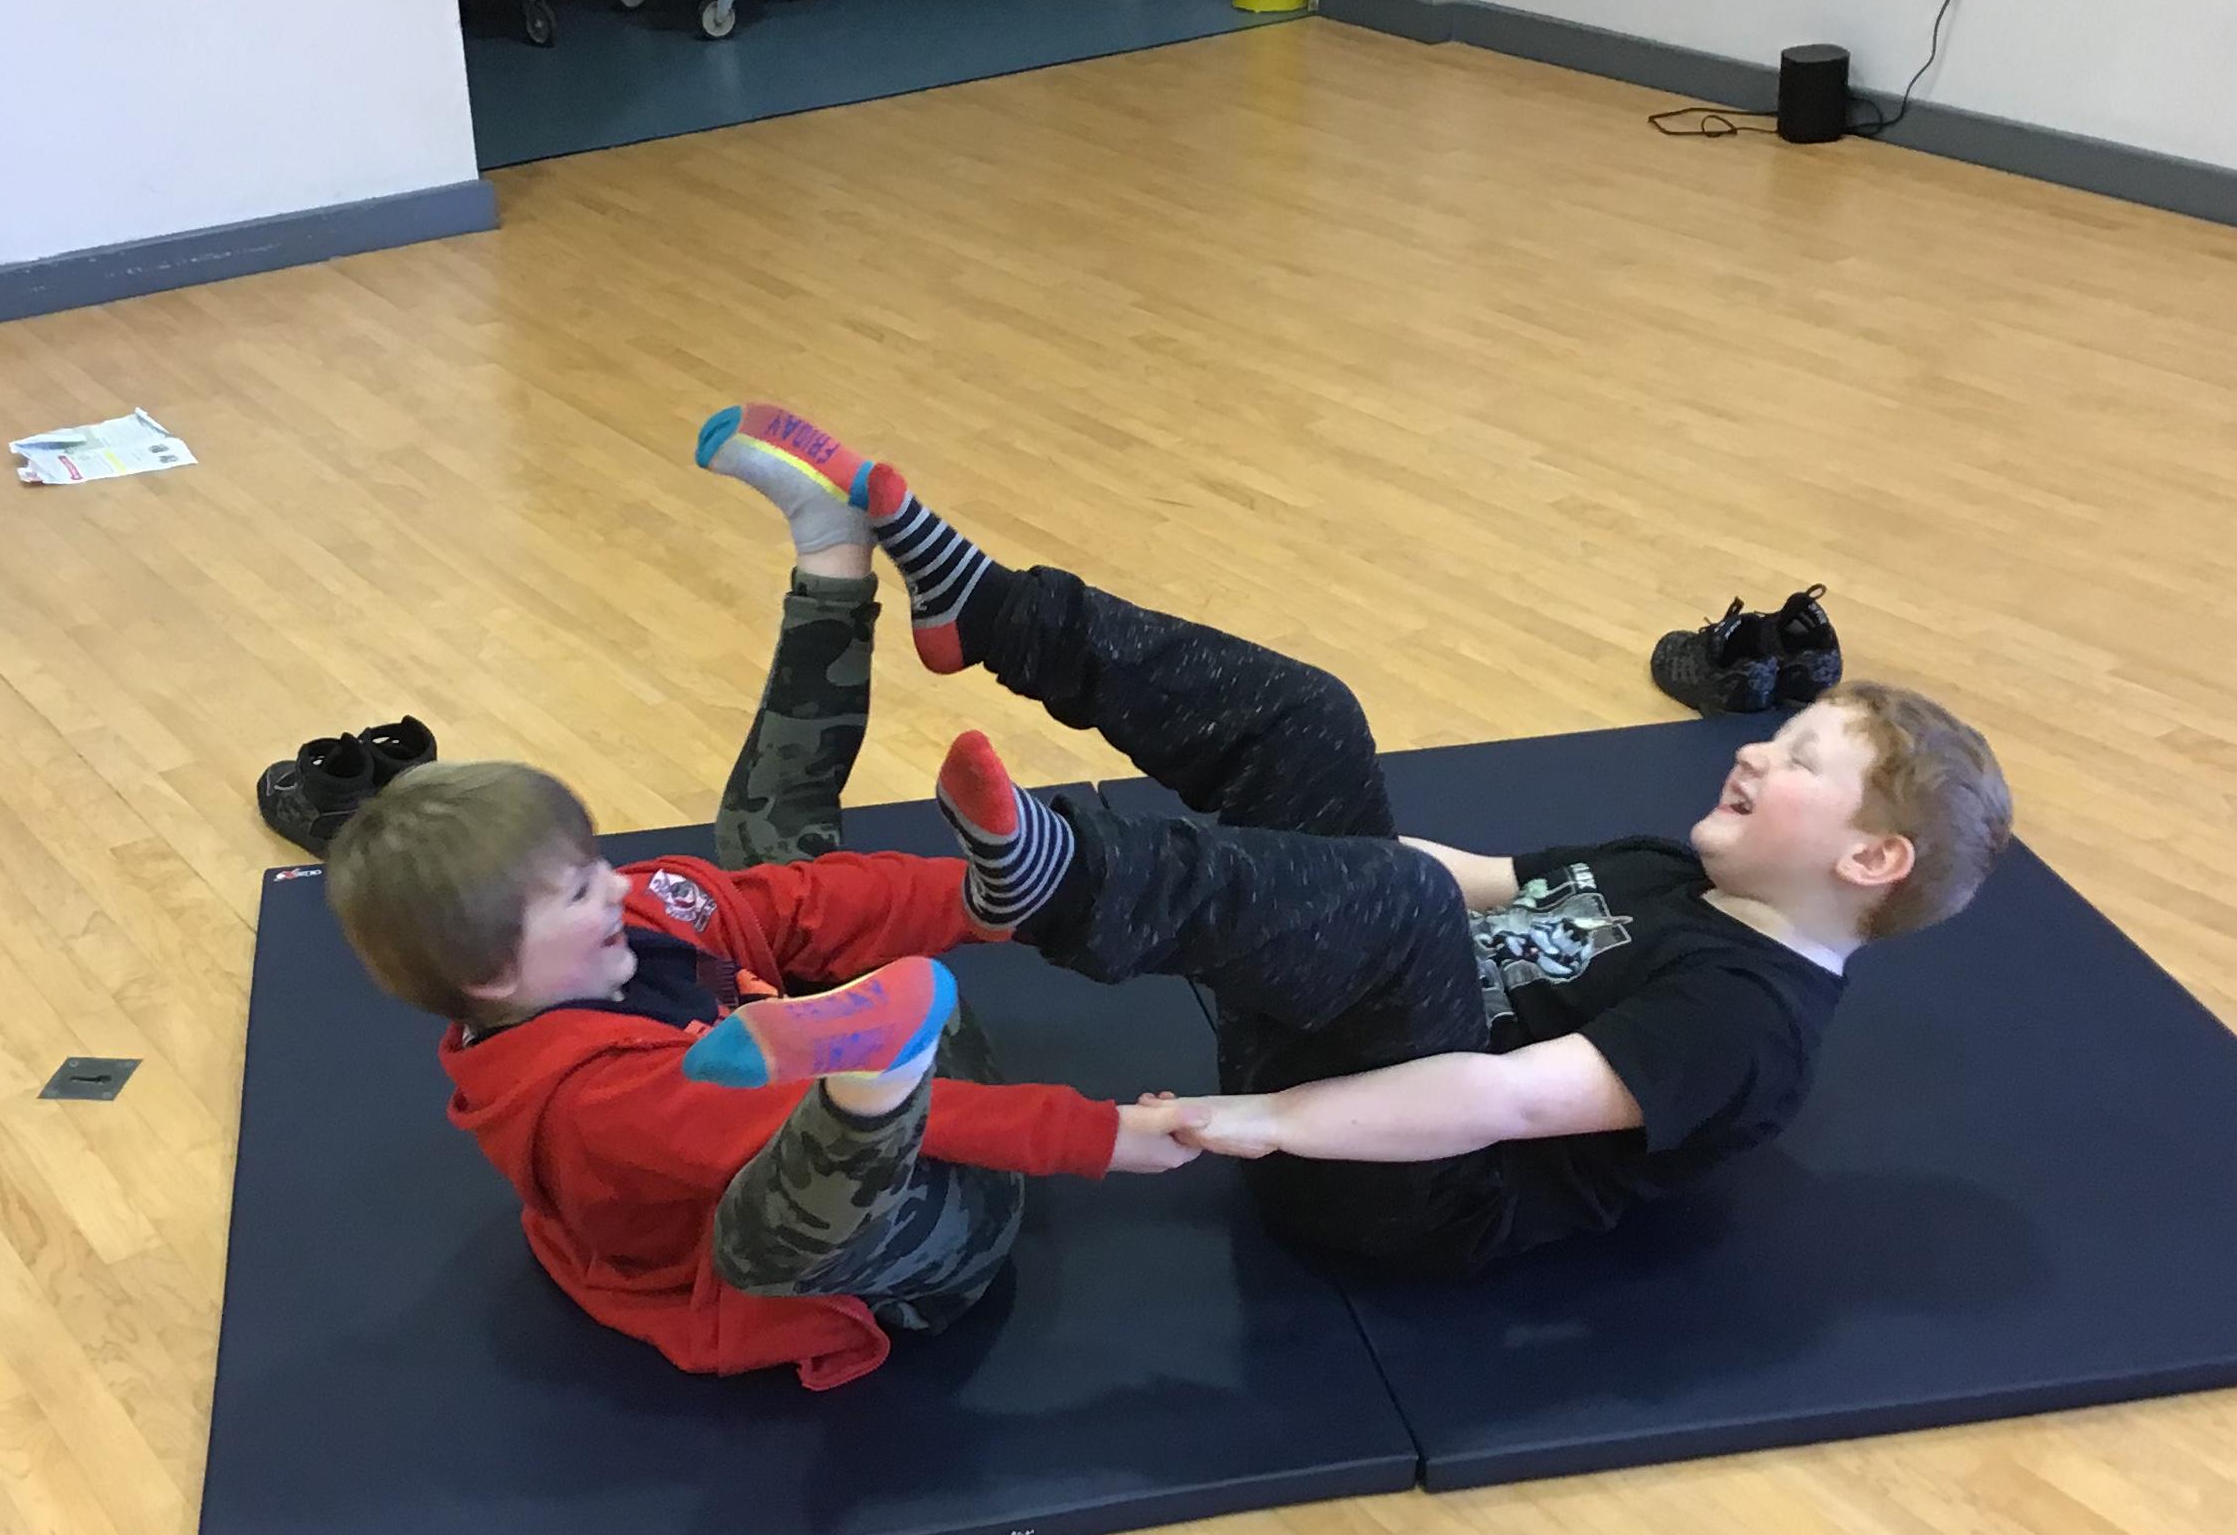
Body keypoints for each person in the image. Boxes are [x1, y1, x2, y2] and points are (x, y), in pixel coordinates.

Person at [691, 402, 2014, 1277]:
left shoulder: (1748, 1027)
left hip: (1400, 1186)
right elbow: (1472, 877)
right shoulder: (1682, 874)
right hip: (1349, 1032)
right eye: (1779, 737)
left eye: (1799, 763)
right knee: (1316, 725)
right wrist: (1312, 851)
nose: (1754, 750)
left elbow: (1499, 1100)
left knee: (1401, 911)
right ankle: (989, 610)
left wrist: (1263, 1121)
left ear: (1871, 860)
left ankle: (1070, 880)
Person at [321, 415, 1197, 1390]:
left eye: (594, 862)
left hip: (838, 1056)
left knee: (757, 847)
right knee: (767, 1216)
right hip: (931, 1246)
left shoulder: (633, 915)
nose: (616, 884)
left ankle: (832, 555)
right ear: (495, 973)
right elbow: (933, 1124)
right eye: (578, 891)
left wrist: (981, 901)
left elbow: (797, 901)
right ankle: (870, 1077)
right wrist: (1102, 1136)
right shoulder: (601, 1103)